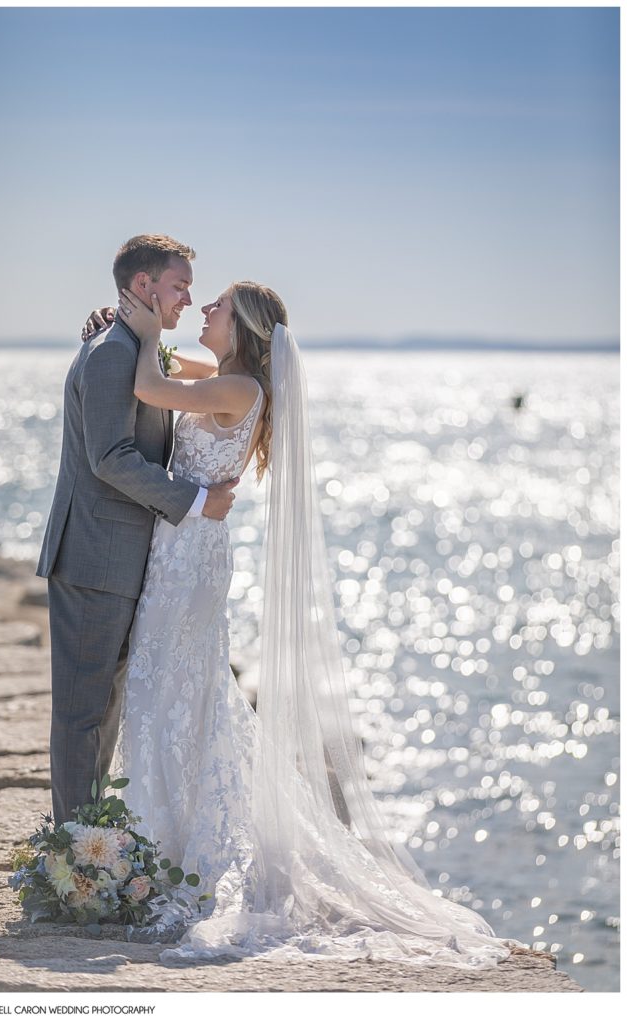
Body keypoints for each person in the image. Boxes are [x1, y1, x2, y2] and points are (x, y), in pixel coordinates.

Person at [86, 279, 517, 967]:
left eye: (216, 306)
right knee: (173, 690)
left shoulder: (239, 392)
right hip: (184, 551)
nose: (203, 310)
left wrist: (140, 331)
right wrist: (132, 331)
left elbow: (149, 390)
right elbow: (168, 370)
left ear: (246, 328)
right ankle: (158, 837)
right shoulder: (229, 379)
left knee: (163, 686)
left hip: (191, 560)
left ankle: (157, 844)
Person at [36, 234, 238, 828]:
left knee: (105, 708)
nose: (187, 299)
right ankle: (76, 857)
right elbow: (110, 458)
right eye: (179, 286)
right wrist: (197, 500)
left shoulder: (135, 347)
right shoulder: (111, 353)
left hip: (122, 560)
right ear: (144, 286)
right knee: (83, 713)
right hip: (93, 559)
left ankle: (92, 845)